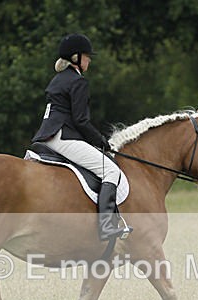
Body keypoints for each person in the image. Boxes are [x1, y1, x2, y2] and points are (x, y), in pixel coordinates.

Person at [32, 33, 131, 241]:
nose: (90, 60)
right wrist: (101, 142)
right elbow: (81, 121)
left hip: (46, 137)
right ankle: (106, 226)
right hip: (64, 138)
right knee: (111, 170)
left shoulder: (58, 79)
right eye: (86, 56)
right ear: (75, 57)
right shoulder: (78, 81)